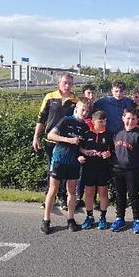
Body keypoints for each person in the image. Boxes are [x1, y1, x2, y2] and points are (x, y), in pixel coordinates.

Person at [40, 100, 90, 235]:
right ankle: (46, 220)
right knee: (53, 190)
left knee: (72, 191)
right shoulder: (66, 120)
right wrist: (69, 140)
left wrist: (85, 152)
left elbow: (80, 146)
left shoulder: (85, 126)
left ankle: (71, 219)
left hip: (73, 162)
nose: (85, 113)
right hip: (59, 159)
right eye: (83, 110)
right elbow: (50, 135)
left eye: (87, 111)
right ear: (76, 109)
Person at [32, 72, 78, 210]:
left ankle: (63, 198)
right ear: (59, 83)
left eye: (70, 83)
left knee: (65, 170)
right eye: (65, 82)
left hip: (67, 142)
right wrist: (36, 137)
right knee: (52, 170)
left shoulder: (76, 100)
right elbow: (41, 118)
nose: (67, 85)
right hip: (51, 141)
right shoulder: (50, 97)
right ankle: (49, 198)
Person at [110, 108, 139, 233]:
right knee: (119, 195)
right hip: (117, 169)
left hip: (133, 170)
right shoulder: (116, 132)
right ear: (123, 118)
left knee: (133, 195)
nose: (130, 121)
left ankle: (137, 219)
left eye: (133, 119)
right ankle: (120, 218)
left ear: (137, 120)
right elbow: (111, 150)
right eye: (128, 118)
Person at [79, 110, 112, 230]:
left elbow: (113, 150)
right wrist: (81, 155)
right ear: (93, 122)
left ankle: (103, 217)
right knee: (89, 193)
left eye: (104, 121)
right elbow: (79, 148)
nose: (103, 123)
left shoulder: (109, 135)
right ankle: (89, 216)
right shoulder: (86, 134)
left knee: (103, 192)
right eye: (100, 121)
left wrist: (109, 153)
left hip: (103, 167)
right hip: (89, 167)